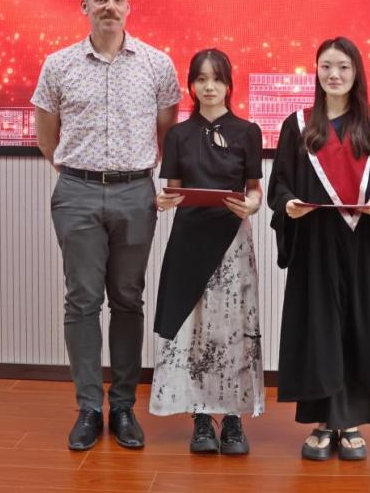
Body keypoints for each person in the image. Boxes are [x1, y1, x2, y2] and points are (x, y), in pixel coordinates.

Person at [31, 0, 180, 451]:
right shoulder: (59, 65)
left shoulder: (157, 64)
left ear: (129, 6)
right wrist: (77, 172)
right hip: (76, 190)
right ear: (84, 7)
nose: (109, 6)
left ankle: (124, 407)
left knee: (128, 300)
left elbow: (167, 134)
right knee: (81, 301)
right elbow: (47, 137)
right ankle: (89, 408)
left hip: (135, 192)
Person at [267, 36, 370, 461]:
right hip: (314, 242)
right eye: (326, 66)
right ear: (315, 71)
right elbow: (279, 184)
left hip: (361, 241)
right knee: (319, 328)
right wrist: (288, 204)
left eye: (343, 66)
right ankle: (323, 422)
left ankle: (350, 422)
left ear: (356, 72)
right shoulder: (297, 124)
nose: (334, 74)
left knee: (357, 326)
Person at [150, 48, 264, 455]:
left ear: (229, 84)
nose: (209, 86)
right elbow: (173, 189)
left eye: (217, 78)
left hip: (233, 238)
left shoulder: (248, 131)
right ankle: (200, 417)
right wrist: (163, 202)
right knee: (194, 327)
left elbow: (255, 190)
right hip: (189, 238)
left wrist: (252, 205)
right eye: (201, 79)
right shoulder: (178, 134)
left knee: (232, 325)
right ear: (191, 85)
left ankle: (233, 419)